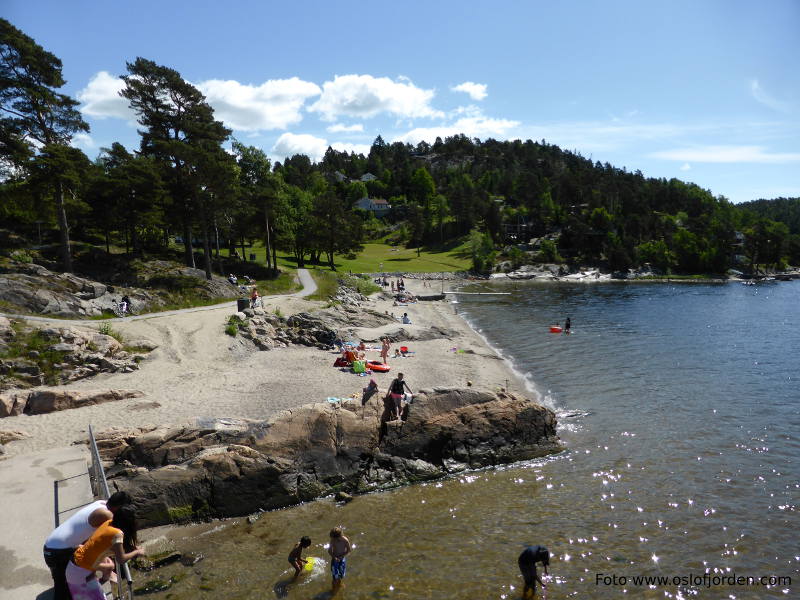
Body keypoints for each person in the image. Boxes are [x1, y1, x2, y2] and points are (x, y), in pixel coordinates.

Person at [43, 491, 132, 600]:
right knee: (66, 593)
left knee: (65, 585)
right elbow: (109, 538)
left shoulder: (101, 503)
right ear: (119, 507)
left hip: (51, 546)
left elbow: (92, 539)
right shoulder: (107, 515)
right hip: (59, 552)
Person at [65, 505, 144, 600]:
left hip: (74, 566)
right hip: (80, 573)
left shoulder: (108, 522)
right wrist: (137, 552)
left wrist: (133, 548)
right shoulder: (117, 534)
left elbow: (109, 546)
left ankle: (105, 578)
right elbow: (121, 559)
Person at [328, 527, 351, 595]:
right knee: (334, 576)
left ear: (339, 536)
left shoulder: (345, 540)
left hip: (342, 559)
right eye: (332, 538)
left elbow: (348, 550)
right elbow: (329, 551)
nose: (333, 539)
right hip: (335, 560)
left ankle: (340, 584)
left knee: (341, 574)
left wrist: (341, 556)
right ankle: (333, 588)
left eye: (334, 538)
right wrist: (334, 557)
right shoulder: (332, 541)